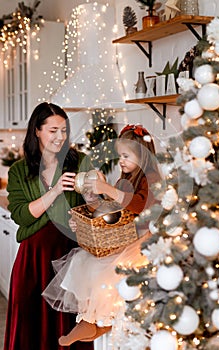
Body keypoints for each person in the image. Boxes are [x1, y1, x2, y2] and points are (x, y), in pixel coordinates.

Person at [42, 124, 161, 346]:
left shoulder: (150, 178)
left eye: (126, 156)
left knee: (104, 271)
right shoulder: (126, 177)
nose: (121, 161)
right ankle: (90, 320)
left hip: (143, 240)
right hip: (123, 235)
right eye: (120, 156)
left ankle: (99, 321)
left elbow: (138, 205)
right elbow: (113, 210)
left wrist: (106, 188)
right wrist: (92, 204)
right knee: (81, 260)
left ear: (143, 156)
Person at [3, 102, 94, 350]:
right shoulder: (20, 171)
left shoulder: (80, 162)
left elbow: (96, 205)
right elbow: (22, 216)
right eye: (53, 130)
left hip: (71, 259)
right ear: (37, 131)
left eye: (63, 130)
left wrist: (83, 216)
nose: (60, 136)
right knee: (30, 323)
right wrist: (54, 192)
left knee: (67, 327)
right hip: (32, 260)